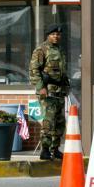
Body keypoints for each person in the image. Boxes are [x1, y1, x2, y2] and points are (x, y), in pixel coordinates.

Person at [29, 24, 69, 160]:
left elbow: (63, 72)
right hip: (48, 91)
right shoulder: (41, 50)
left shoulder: (60, 50)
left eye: (58, 34)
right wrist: (41, 88)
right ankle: (45, 150)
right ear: (48, 35)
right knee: (48, 122)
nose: (56, 36)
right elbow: (34, 70)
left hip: (59, 91)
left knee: (59, 122)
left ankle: (55, 148)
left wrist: (66, 87)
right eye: (53, 34)